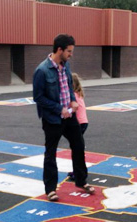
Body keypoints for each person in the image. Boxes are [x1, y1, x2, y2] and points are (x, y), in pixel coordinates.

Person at [33, 33, 95, 202]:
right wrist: (60, 109)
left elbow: (68, 86)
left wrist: (73, 101)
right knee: (51, 152)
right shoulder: (42, 70)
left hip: (70, 117)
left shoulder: (66, 66)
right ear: (59, 50)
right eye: (69, 51)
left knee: (79, 145)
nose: (71, 54)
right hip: (52, 118)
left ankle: (81, 181)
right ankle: (50, 189)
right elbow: (38, 98)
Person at [67, 73, 89, 181]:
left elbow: (70, 109)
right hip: (83, 122)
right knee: (77, 147)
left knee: (76, 149)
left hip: (79, 123)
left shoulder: (73, 96)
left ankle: (79, 172)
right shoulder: (78, 93)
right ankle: (77, 170)